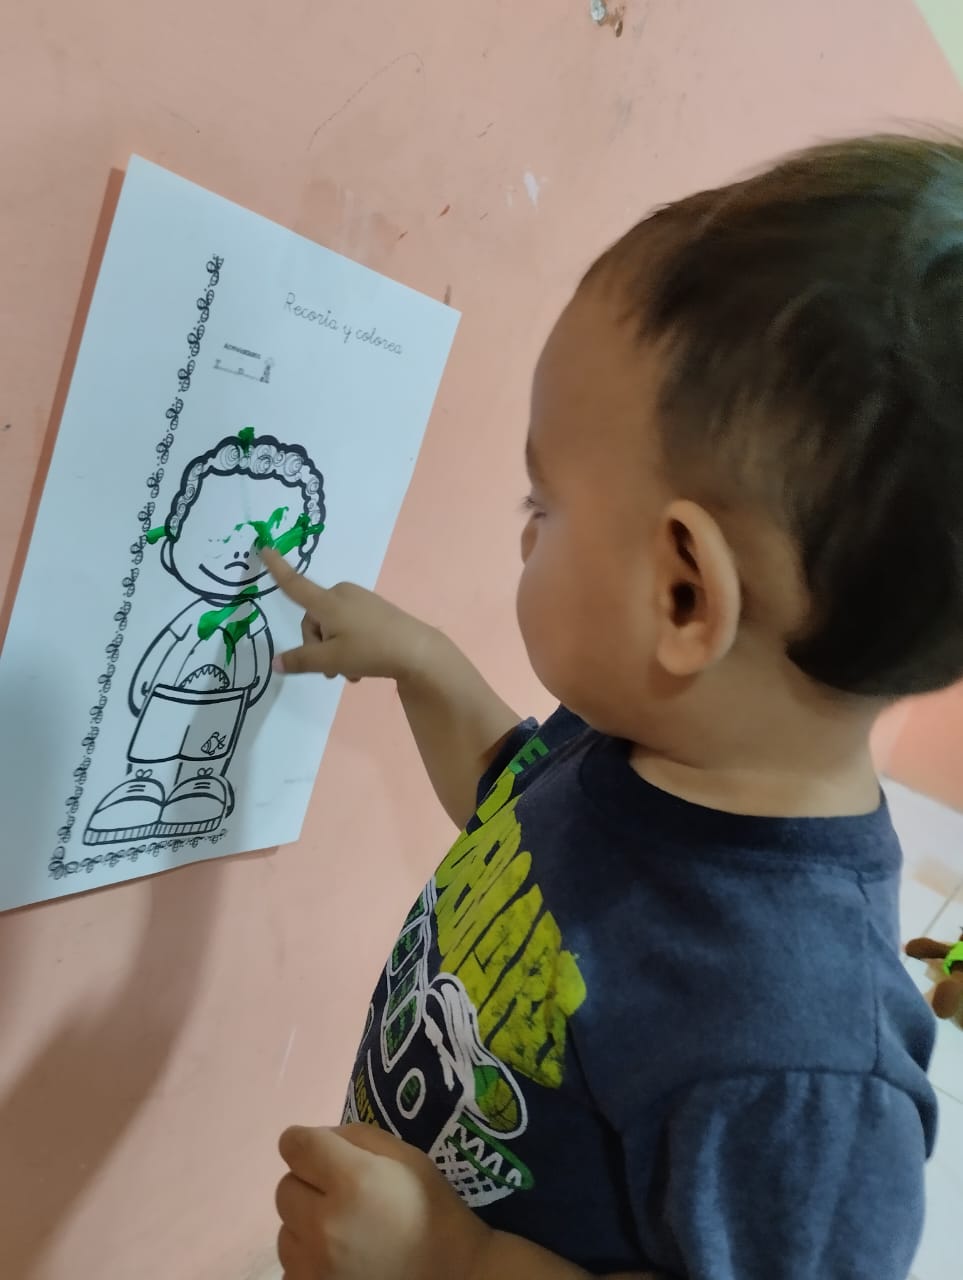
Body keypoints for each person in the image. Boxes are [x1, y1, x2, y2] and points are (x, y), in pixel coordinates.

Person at [264, 134, 962, 1280]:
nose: (525, 530)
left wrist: (451, 1258)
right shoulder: (655, 732)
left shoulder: (799, 1067)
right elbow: (516, 816)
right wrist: (424, 663)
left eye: (543, 502)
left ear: (683, 594)